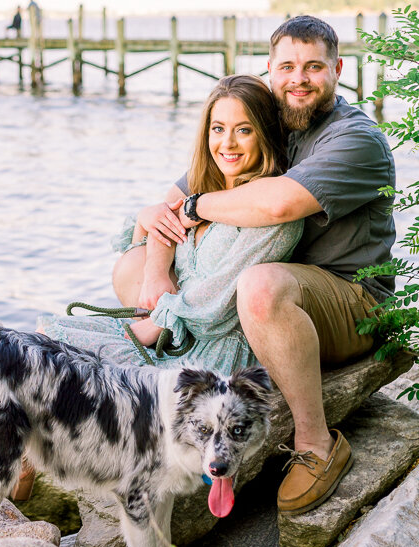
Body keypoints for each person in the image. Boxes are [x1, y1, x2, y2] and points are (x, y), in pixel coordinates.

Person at [119, 15, 395, 516]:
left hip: (350, 299)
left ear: (338, 68)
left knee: (259, 286)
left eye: (314, 66)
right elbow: (174, 197)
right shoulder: (270, 122)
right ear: (269, 70)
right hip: (264, 294)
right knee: (133, 267)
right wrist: (158, 271)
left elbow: (277, 207)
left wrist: (196, 208)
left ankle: (316, 444)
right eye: (287, 66)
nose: (299, 78)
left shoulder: (355, 139)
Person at [40, 74, 303, 372]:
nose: (227, 143)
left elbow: (221, 300)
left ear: (265, 134)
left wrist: (151, 326)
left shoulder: (269, 213)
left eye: (244, 130)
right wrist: (150, 241)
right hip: (170, 336)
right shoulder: (202, 194)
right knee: (42, 340)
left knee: (57, 360)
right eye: (218, 129)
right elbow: (148, 239)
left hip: (209, 356)